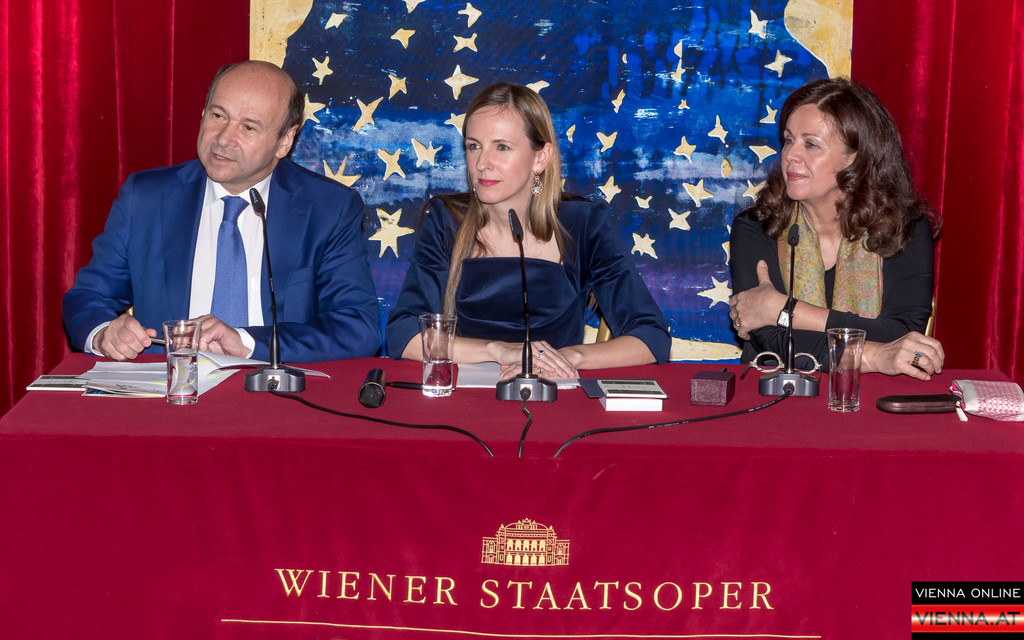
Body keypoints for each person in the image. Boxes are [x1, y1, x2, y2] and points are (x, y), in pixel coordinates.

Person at [62, 60, 381, 363]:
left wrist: (246, 343)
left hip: (275, 389)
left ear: (284, 141)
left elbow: (358, 327)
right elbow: (88, 297)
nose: (224, 138)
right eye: (218, 115)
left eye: (249, 127)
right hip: (171, 388)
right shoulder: (147, 197)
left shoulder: (329, 208)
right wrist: (104, 333)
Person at [386, 83, 670, 379]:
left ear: (540, 157)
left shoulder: (583, 222)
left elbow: (652, 337)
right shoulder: (445, 219)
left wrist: (567, 357)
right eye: (473, 146)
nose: (482, 164)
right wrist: (499, 350)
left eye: (502, 147)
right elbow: (403, 335)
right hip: (465, 394)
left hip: (555, 392)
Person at [729, 77, 944, 379]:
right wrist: (873, 355)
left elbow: (902, 333)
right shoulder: (758, 225)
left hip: (873, 398)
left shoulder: (904, 227)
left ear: (856, 158)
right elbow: (774, 341)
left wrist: (785, 310)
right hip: (774, 394)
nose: (790, 155)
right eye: (789, 139)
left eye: (811, 144)